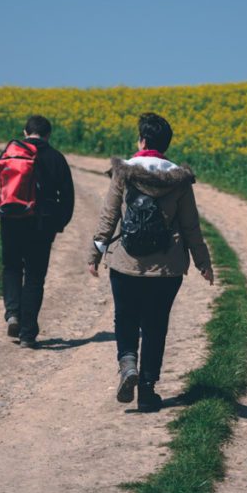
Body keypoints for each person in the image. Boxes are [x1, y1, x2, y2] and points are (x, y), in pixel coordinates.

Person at [87, 112, 214, 411]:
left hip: (125, 262)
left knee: (126, 317)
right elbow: (191, 226)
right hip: (166, 268)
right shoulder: (180, 181)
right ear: (165, 145)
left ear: (142, 141)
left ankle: (128, 363)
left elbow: (108, 218)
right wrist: (203, 262)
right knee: (156, 325)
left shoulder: (124, 173)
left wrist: (95, 254)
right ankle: (147, 389)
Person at [0, 115, 74, 348]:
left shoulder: (9, 154)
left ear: (25, 132)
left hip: (10, 221)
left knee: (11, 267)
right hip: (42, 225)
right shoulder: (55, 157)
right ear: (48, 135)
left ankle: (13, 314)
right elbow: (67, 197)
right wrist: (59, 224)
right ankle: (27, 335)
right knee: (35, 278)